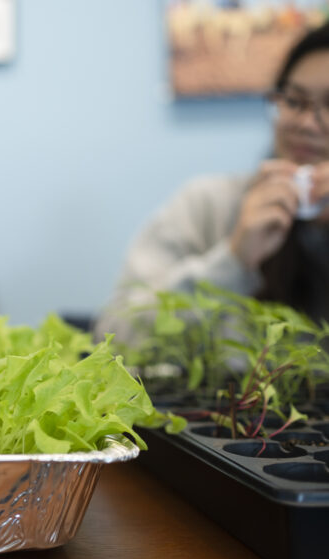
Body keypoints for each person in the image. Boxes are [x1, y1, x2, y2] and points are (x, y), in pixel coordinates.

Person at [96, 23, 329, 341]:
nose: (306, 123)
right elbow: (114, 335)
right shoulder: (207, 205)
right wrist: (234, 259)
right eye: (294, 101)